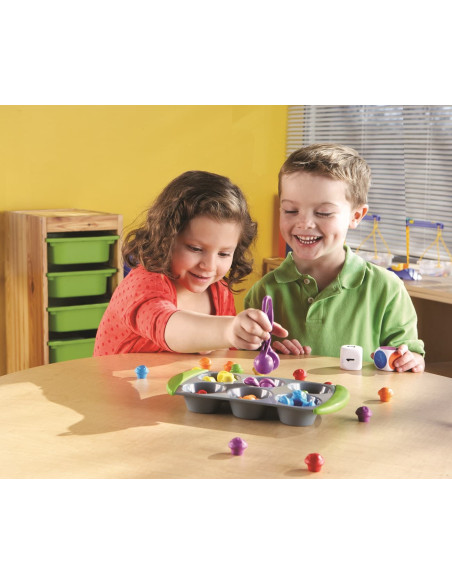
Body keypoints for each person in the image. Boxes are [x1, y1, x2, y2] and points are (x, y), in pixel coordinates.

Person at [244, 143, 425, 373]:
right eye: (291, 210)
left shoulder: (387, 289)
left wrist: (410, 360)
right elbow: (247, 364)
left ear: (356, 215)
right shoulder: (263, 291)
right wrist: (270, 355)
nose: (304, 223)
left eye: (323, 213)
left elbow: (410, 359)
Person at [94, 170, 288, 356]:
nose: (209, 266)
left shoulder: (219, 292)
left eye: (224, 253)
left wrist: (262, 349)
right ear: (165, 239)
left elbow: (222, 359)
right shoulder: (143, 284)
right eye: (195, 249)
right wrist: (228, 330)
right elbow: (166, 326)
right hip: (116, 380)